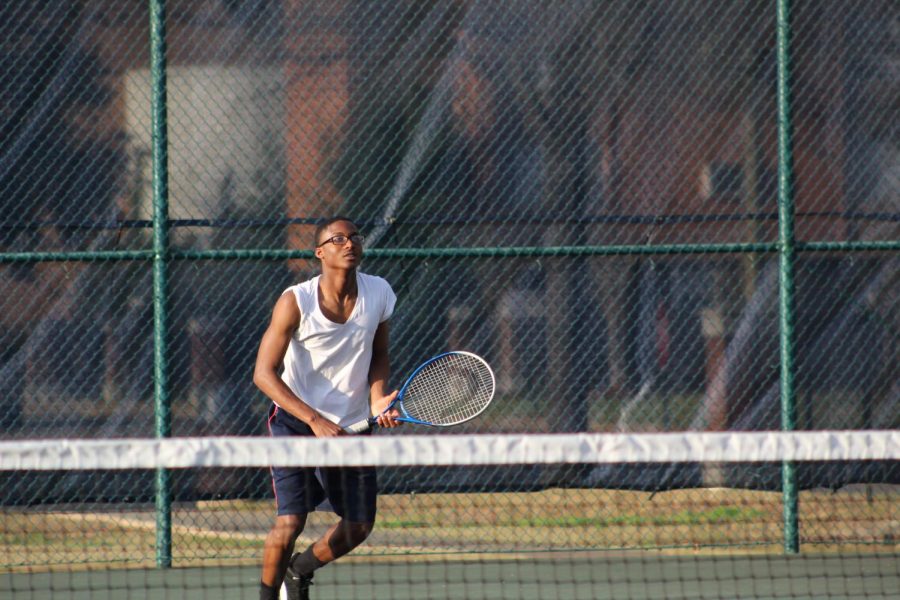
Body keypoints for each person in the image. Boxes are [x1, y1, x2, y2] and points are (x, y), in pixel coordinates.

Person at [253, 216, 400, 600]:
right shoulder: (295, 301)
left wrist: (379, 397)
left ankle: (299, 572)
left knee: (358, 525)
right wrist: (314, 420)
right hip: (297, 423)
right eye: (338, 239)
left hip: (353, 425)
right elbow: (264, 375)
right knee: (290, 522)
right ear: (320, 252)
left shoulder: (379, 293)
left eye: (354, 237)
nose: (349, 243)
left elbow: (379, 354)